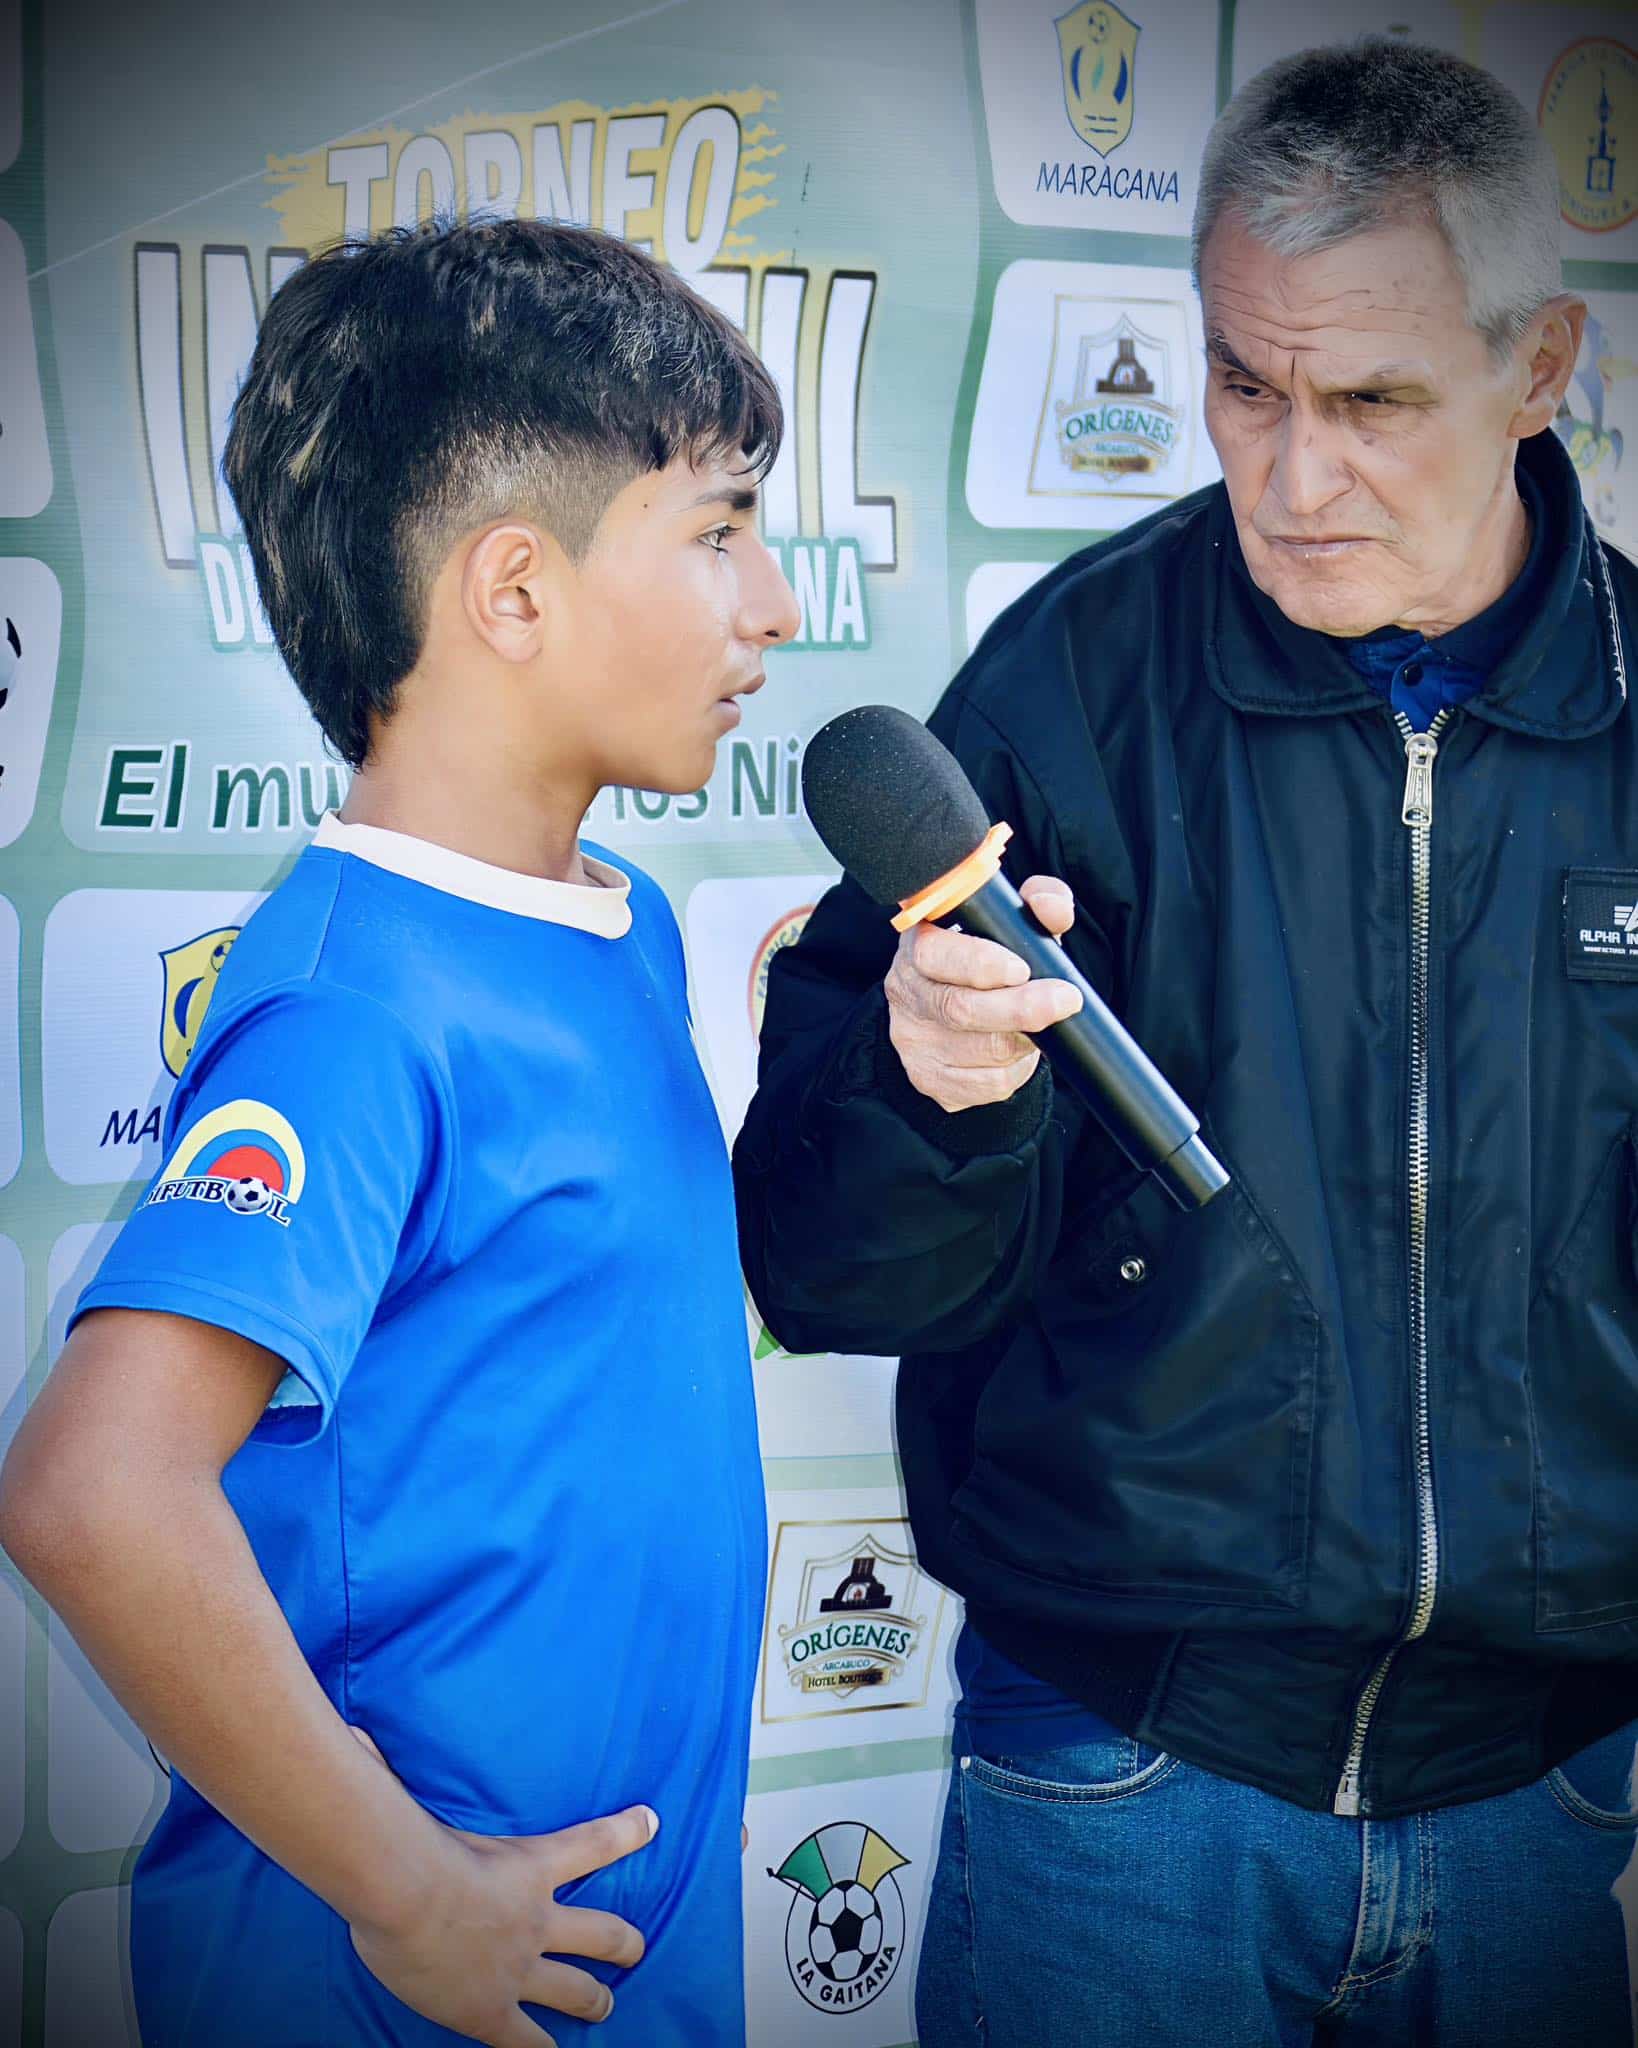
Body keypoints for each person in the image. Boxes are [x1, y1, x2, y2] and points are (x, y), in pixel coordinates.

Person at [735, 41, 1638, 2047]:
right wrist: (929, 1087)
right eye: (1245, 382)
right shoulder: (1054, 692)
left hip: (1554, 1789)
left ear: (1544, 360)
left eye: (1375, 398)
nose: (1290, 475)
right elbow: (826, 1264)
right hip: (1117, 1774)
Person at [0, 218, 799, 2047]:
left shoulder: (623, 921)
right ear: (512, 593)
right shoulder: (364, 1004)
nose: (771, 607)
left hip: (616, 1975)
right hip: (390, 1988)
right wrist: (407, 1888)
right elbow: (89, 1490)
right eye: (718, 534)